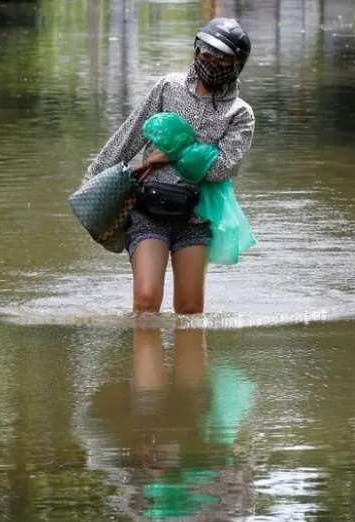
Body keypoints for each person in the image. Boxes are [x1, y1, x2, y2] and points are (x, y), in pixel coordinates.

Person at [84, 18, 255, 314]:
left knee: (189, 311)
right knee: (147, 299)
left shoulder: (240, 114)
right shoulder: (169, 87)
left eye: (222, 57)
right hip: (148, 210)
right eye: (206, 52)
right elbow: (131, 134)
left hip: (196, 217)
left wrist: (172, 152)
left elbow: (222, 168)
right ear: (197, 50)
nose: (211, 61)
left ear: (236, 64)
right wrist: (92, 182)